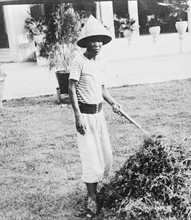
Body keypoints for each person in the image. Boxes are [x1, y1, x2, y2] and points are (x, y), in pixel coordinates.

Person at [68, 15, 122, 214]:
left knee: (106, 155)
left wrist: (113, 102)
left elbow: (102, 88)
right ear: (86, 43)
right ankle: (91, 197)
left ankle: (99, 190)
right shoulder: (78, 62)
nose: (97, 43)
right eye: (93, 40)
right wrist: (77, 116)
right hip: (86, 117)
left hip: (100, 117)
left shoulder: (101, 61)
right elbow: (71, 89)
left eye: (99, 40)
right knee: (91, 157)